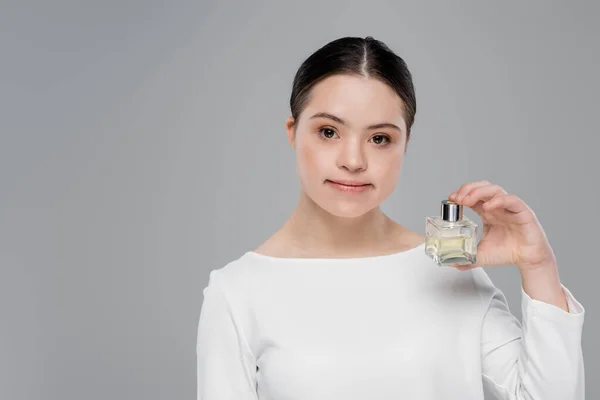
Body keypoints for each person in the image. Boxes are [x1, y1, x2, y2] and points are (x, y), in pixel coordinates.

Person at [196, 36, 585, 399]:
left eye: (379, 138)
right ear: (293, 132)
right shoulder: (236, 293)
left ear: (405, 144)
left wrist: (538, 266)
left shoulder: (450, 270)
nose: (353, 161)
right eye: (329, 131)